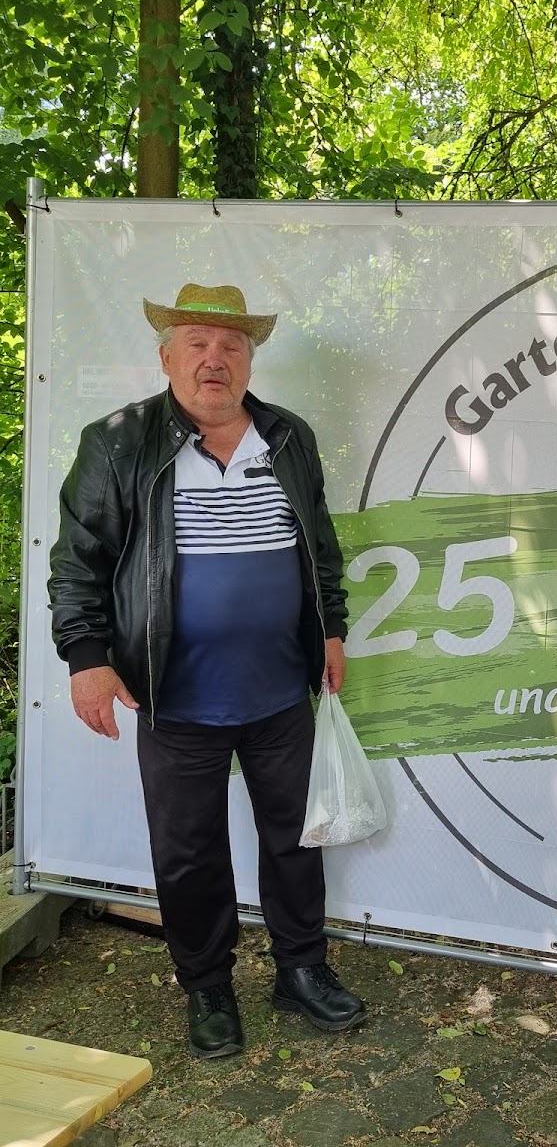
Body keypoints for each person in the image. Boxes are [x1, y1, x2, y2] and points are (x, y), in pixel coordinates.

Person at [47, 283, 366, 1059]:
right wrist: (87, 660)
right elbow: (78, 562)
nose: (213, 359)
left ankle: (301, 969)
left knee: (296, 839)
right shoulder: (117, 443)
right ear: (167, 358)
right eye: (196, 343)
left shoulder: (288, 438)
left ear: (250, 360)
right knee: (188, 851)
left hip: (280, 687)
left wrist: (331, 628)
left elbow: (319, 548)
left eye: (230, 346)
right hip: (173, 693)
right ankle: (207, 986)